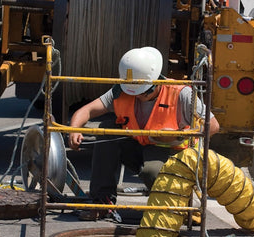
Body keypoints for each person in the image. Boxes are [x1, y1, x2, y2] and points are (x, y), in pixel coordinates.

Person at [68, 46, 219, 220]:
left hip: (170, 153)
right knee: (107, 130)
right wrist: (74, 129)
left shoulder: (181, 93)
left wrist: (178, 135)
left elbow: (213, 126)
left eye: (142, 92)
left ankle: (176, 209)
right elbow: (87, 110)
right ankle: (102, 202)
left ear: (155, 81)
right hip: (138, 147)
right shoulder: (123, 90)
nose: (137, 96)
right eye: (133, 92)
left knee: (152, 173)